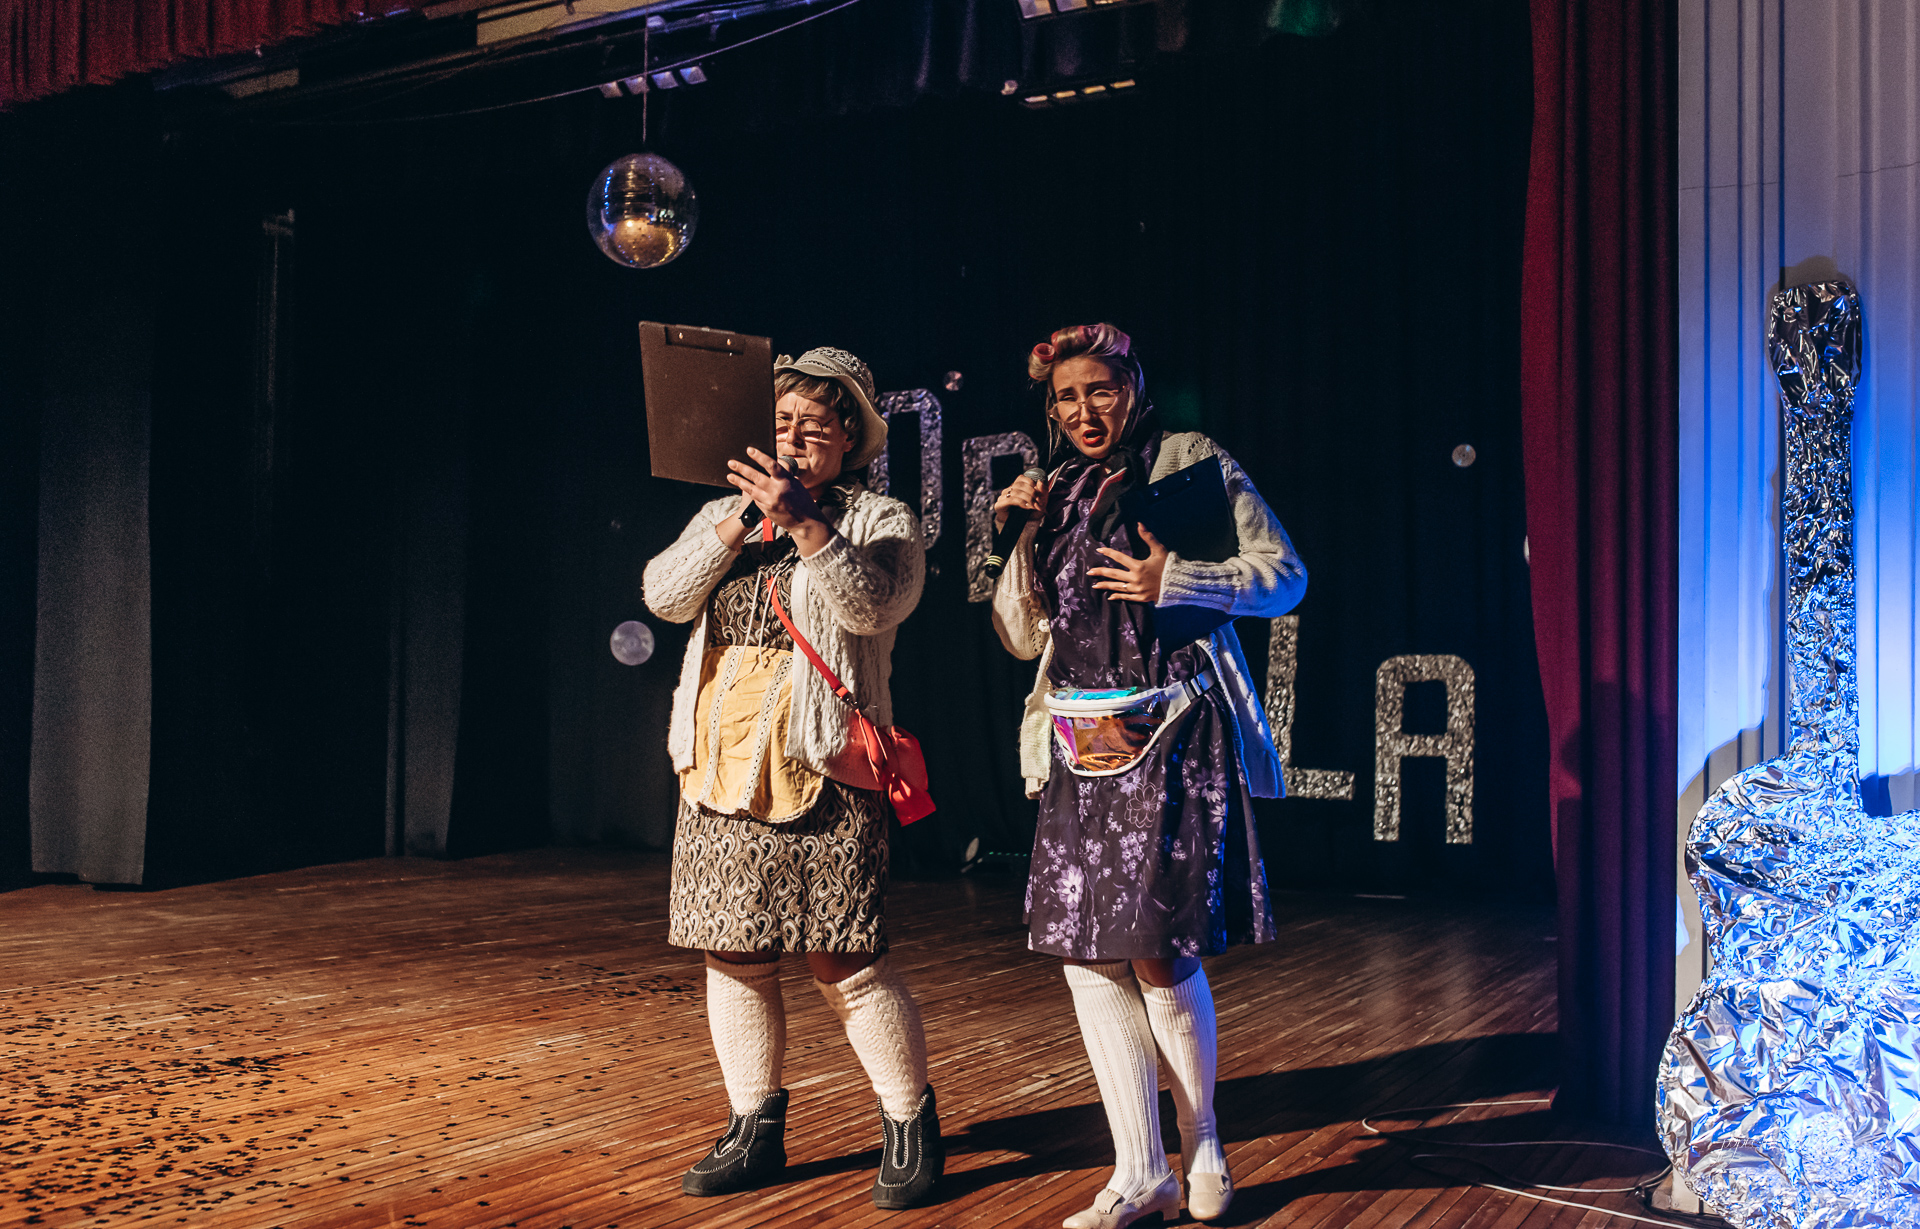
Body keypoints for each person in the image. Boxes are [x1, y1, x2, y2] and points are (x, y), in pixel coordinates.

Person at [990, 324, 1305, 1228]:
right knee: (1085, 952)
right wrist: (1015, 533)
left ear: (1133, 385)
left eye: (1100, 389)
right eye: (1065, 396)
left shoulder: (1188, 459)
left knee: (1158, 945)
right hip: (1078, 738)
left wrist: (1181, 579)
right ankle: (1139, 1170)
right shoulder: (1054, 488)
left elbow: (1285, 576)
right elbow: (1021, 633)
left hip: (1169, 728)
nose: (1083, 409)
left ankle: (1203, 1142)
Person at [642, 346, 941, 1209]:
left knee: (843, 955)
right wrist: (743, 519)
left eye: (816, 422)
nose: (797, 435)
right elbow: (663, 594)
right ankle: (753, 1126)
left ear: (850, 436)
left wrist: (808, 525)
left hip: (821, 763)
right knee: (732, 949)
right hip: (719, 765)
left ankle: (909, 1122)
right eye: (782, 421)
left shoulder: (882, 517)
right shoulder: (724, 510)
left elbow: (873, 607)